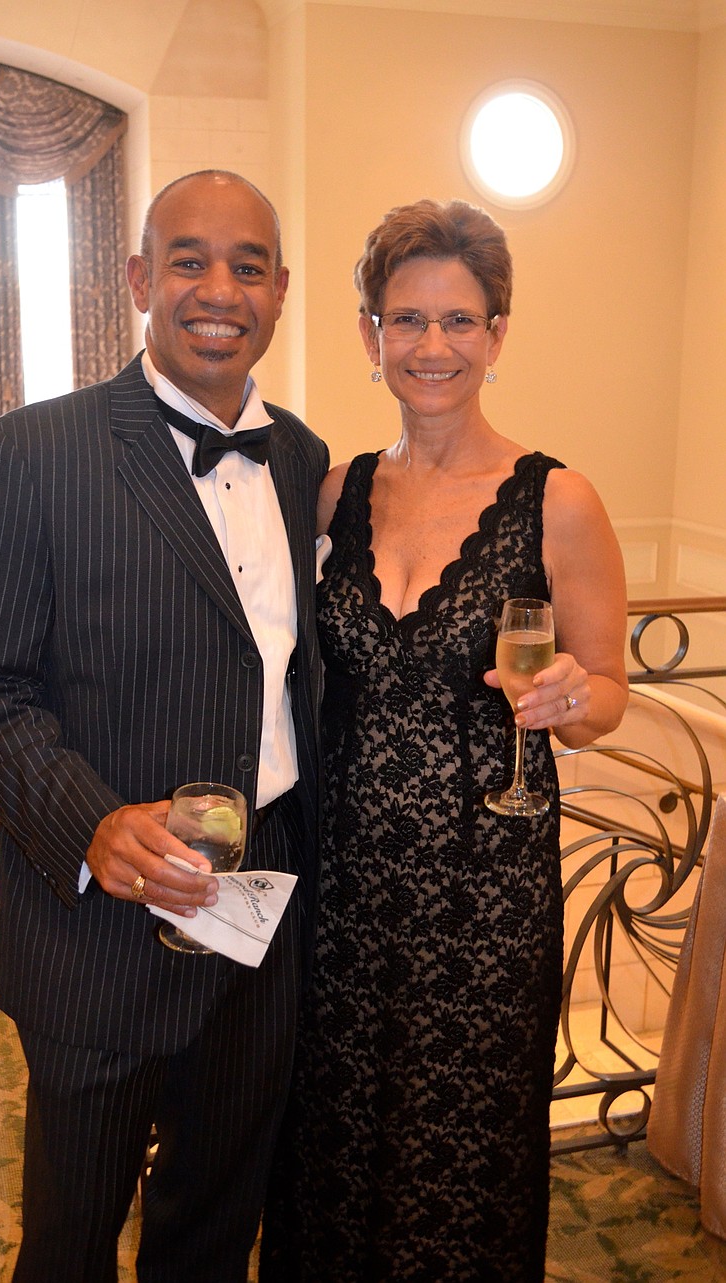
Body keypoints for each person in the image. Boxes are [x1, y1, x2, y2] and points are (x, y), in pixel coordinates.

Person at [0, 170, 329, 1283]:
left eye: (248, 266)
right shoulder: (28, 452)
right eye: (189, 261)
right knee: (70, 1242)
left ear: (280, 291)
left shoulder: (301, 458)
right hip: (96, 942)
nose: (220, 289)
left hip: (259, 925)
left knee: (213, 1231)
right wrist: (93, 824)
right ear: (142, 279)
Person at [259, 197, 629, 1282]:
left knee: (456, 1160)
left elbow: (607, 690)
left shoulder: (558, 500)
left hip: (486, 898)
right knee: (330, 1146)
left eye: (460, 320)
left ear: (497, 334)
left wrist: (574, 697)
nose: (433, 345)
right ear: (370, 335)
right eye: (407, 319)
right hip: (343, 888)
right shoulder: (334, 492)